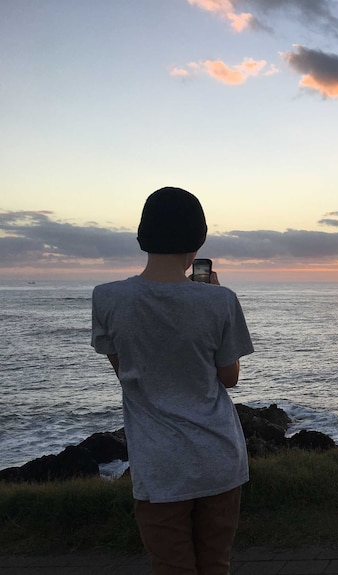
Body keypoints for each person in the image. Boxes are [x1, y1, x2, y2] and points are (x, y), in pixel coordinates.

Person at [91, 187, 254, 574]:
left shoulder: (108, 298)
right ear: (200, 238)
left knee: (171, 567)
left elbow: (126, 375)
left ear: (142, 236)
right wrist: (207, 301)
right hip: (219, 458)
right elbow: (229, 379)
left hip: (160, 465)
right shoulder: (220, 300)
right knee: (216, 564)